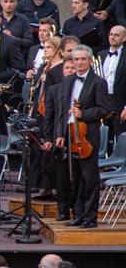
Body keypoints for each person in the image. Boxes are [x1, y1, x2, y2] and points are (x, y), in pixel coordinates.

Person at [43, 45, 111, 228]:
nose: (79, 62)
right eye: (76, 59)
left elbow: (105, 109)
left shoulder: (98, 82)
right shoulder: (68, 81)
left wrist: (84, 114)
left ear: (89, 61)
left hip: (87, 136)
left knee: (89, 178)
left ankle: (90, 217)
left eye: (83, 59)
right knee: (76, 178)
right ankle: (78, 214)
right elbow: (61, 111)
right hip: (70, 134)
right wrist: (59, 134)